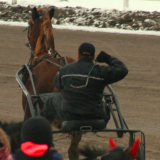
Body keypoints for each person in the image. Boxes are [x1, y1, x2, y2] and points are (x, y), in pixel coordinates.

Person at [41, 42, 128, 125]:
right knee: (105, 106)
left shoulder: (64, 70)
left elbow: (57, 90)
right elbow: (123, 70)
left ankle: (43, 127)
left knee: (51, 100)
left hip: (68, 116)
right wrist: (108, 58)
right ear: (93, 57)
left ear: (78, 55)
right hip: (96, 116)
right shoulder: (101, 71)